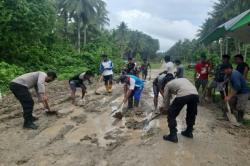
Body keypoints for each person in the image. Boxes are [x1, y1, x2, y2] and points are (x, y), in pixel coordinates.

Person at [160, 78, 199, 143]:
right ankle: (189, 132)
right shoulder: (181, 80)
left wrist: (165, 109)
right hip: (195, 95)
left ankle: (173, 135)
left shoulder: (167, 85)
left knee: (171, 114)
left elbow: (166, 100)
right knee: (191, 113)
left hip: (183, 94)